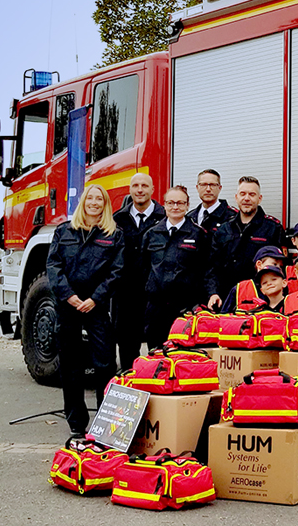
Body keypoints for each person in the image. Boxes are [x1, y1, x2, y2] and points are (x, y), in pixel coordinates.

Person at [46, 184, 124, 437]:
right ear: (83, 202)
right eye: (89, 197)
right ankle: (77, 424)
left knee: (105, 364)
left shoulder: (114, 234)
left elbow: (117, 271)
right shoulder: (64, 231)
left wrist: (95, 298)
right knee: (71, 367)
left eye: (99, 198)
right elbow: (53, 267)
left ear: (105, 204)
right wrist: (69, 296)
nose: (94, 202)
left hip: (96, 307)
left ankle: (104, 423)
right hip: (68, 307)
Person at [142, 185, 220, 350]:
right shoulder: (152, 233)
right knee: (155, 355)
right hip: (156, 308)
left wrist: (212, 293)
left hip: (185, 308)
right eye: (171, 203)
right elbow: (142, 269)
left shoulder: (199, 234)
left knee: (183, 356)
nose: (175, 207)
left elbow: (207, 269)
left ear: (187, 205)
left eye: (180, 203)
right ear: (164, 205)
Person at [112, 172, 166, 370]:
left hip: (156, 294)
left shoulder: (165, 217)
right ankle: (129, 385)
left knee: (158, 346)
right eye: (136, 186)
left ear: (153, 190)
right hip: (125, 294)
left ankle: (157, 390)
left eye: (144, 185)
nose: (140, 190)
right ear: (130, 190)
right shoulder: (118, 219)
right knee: (126, 344)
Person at [210, 176, 287, 299]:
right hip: (226, 297)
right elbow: (212, 267)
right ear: (236, 197)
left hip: (260, 298)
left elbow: (282, 269)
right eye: (242, 194)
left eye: (252, 194)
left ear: (259, 199)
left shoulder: (273, 228)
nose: (247, 198)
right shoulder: (223, 230)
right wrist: (213, 293)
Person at [220, 246, 288, 313]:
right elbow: (224, 319)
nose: (278, 268)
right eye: (275, 264)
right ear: (259, 264)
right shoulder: (239, 289)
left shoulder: (286, 287)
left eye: (281, 266)